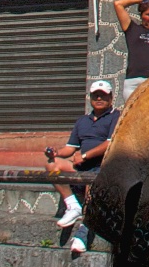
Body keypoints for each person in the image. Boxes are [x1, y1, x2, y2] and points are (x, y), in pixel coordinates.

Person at [43, 81, 121, 249]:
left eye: (103, 95)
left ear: (111, 97)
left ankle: (83, 234)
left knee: (91, 186)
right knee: (52, 165)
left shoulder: (116, 116)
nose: (99, 98)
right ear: (90, 97)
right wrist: (56, 153)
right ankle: (72, 206)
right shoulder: (82, 121)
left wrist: (84, 156)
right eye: (95, 95)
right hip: (80, 167)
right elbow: (71, 148)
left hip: (103, 168)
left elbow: (110, 143)